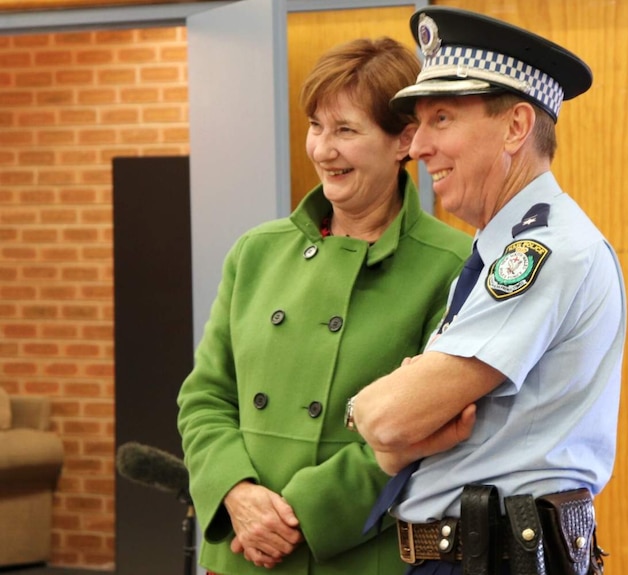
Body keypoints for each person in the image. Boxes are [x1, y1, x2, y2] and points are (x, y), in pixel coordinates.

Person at [176, 36, 473, 575]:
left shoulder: (452, 265)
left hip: (354, 554)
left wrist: (299, 515)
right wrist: (237, 493)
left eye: (345, 130)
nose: (322, 149)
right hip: (244, 554)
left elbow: (429, 432)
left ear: (404, 139)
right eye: (316, 125)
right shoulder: (257, 252)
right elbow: (206, 398)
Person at [350, 7, 628, 575]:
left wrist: (363, 406)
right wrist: (392, 421)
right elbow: (395, 438)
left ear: (515, 127)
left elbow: (390, 423)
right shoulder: (500, 248)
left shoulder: (542, 252)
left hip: (496, 556)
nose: (417, 146)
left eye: (442, 118)